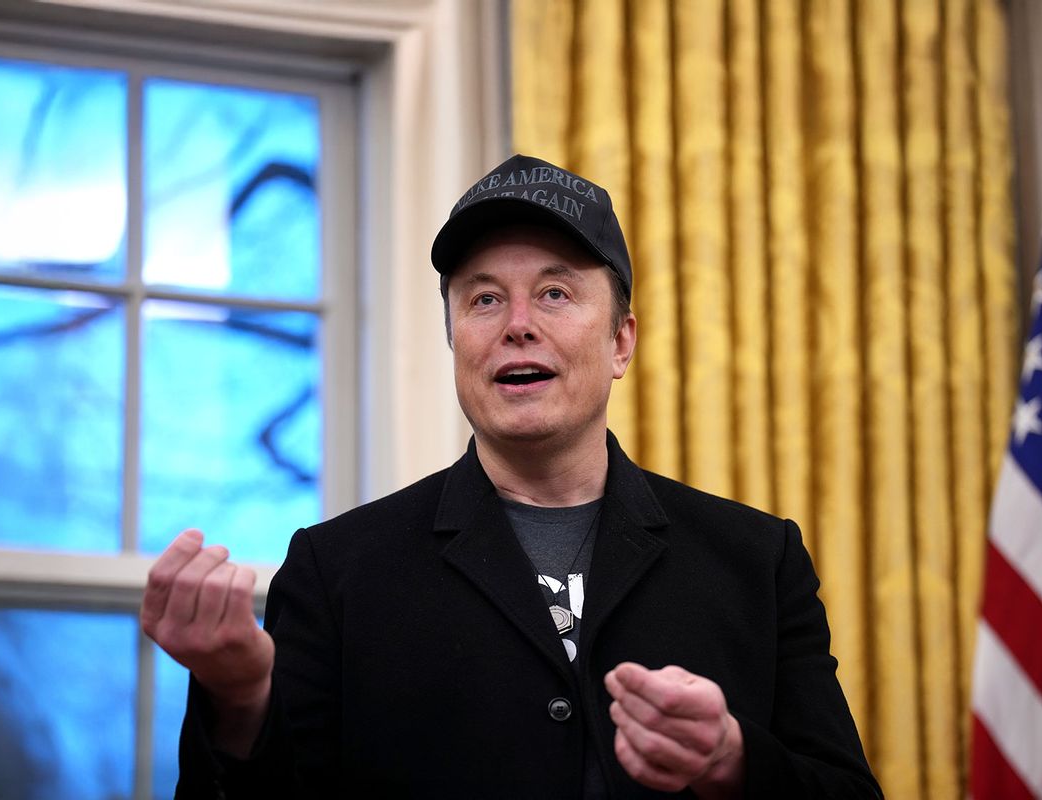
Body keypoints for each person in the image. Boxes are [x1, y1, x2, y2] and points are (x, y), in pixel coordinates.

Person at [141, 154, 882, 798]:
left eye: (555, 293)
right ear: (456, 341)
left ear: (621, 341)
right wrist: (238, 698)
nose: (516, 323)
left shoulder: (756, 559)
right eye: (484, 298)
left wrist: (731, 760)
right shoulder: (337, 572)